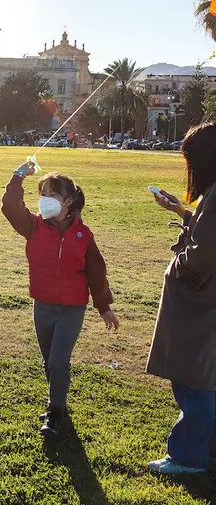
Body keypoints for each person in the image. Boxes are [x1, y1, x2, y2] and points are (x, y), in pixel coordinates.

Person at [2, 160, 119, 437]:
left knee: (58, 360)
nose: (44, 202)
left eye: (51, 196)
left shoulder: (83, 234)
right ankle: (56, 404)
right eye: (41, 195)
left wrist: (103, 307)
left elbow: (96, 272)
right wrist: (18, 175)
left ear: (68, 202)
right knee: (49, 361)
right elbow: (10, 207)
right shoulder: (33, 226)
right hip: (42, 306)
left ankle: (55, 412)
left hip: (71, 309)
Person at [145, 122, 216, 474]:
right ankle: (206, 448)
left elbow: (203, 255)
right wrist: (182, 212)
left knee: (193, 381)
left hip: (199, 306)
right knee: (205, 377)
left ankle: (188, 456)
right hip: (204, 304)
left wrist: (178, 266)